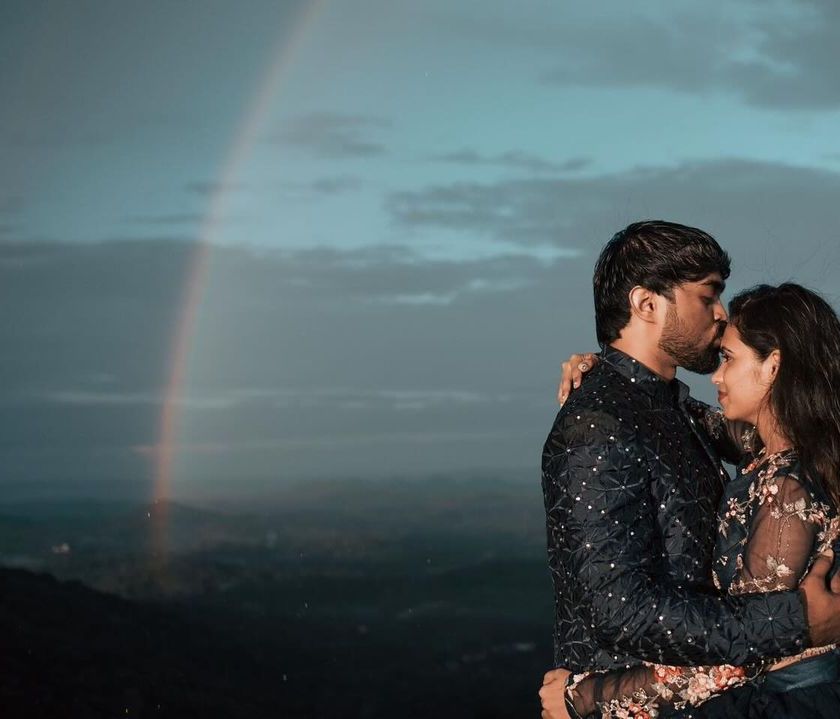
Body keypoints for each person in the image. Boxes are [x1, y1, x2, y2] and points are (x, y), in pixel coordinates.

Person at [538, 221, 840, 719]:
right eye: (708, 295)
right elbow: (621, 610)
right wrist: (799, 622)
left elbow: (788, 429)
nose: (720, 314)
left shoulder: (672, 412)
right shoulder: (597, 426)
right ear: (646, 304)